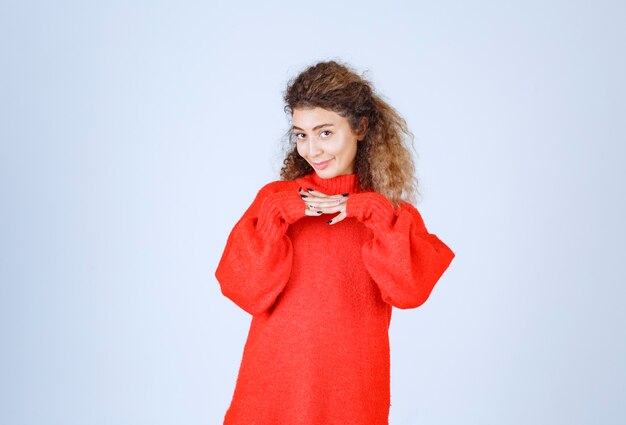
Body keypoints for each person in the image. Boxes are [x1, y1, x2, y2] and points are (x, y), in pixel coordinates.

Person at [214, 59, 455, 425]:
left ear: (360, 127)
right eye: (301, 134)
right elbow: (245, 290)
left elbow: (410, 292)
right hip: (273, 393)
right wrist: (279, 211)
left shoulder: (387, 215)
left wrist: (368, 208)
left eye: (325, 132)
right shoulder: (275, 202)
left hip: (352, 397)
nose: (312, 149)